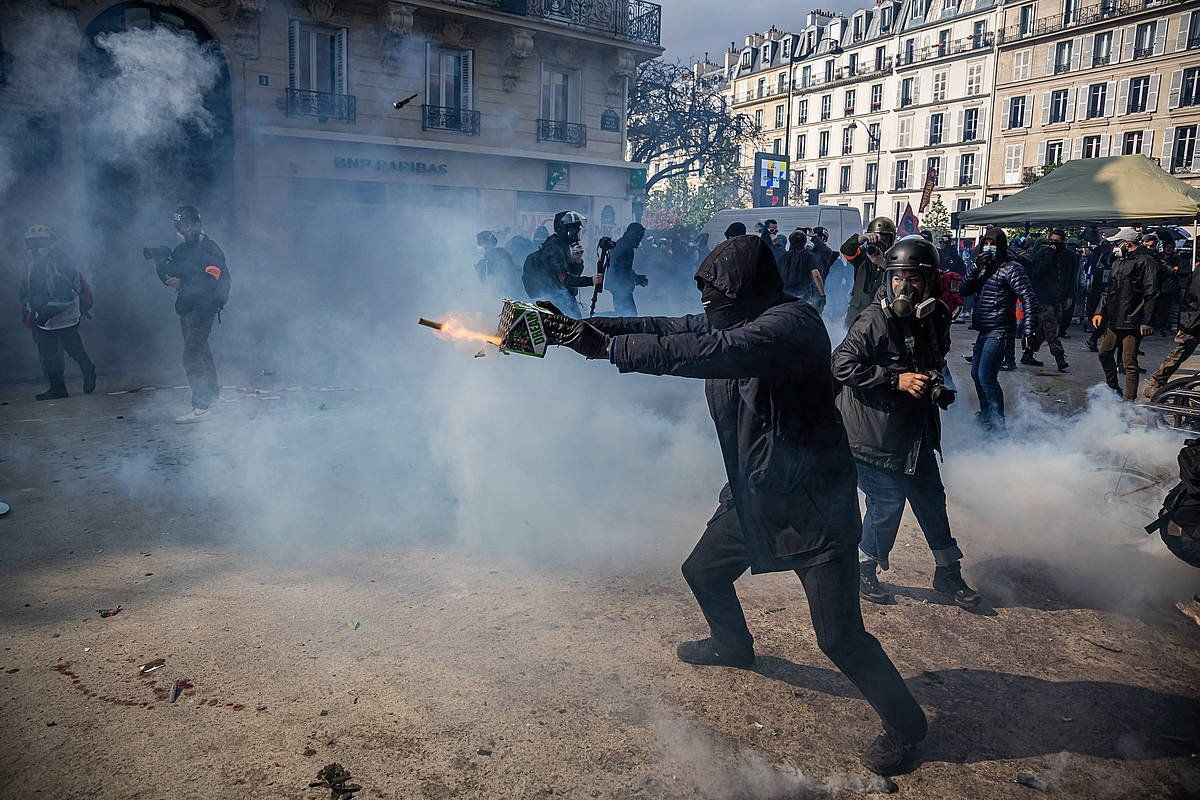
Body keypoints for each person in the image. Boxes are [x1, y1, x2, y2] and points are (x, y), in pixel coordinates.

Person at [538, 236, 928, 776]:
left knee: (840, 637)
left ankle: (908, 726)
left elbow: (707, 353)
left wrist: (603, 348)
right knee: (702, 571)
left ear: (746, 289)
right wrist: (575, 327)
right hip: (757, 492)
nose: (707, 309)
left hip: (814, 504)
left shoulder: (791, 324)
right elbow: (670, 329)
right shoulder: (734, 317)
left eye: (716, 297)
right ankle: (732, 644)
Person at [833, 237, 981, 609]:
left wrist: (934, 389)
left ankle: (947, 572)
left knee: (932, 499)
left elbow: (930, 364)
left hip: (914, 431)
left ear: (929, 283)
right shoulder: (873, 319)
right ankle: (862, 570)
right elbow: (841, 365)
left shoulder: (938, 318)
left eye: (914, 279)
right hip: (872, 431)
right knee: (886, 500)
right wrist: (895, 380)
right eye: (898, 277)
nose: (904, 286)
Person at [150, 206, 230, 424]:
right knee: (202, 352)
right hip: (187, 308)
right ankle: (211, 400)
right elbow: (169, 278)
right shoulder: (182, 250)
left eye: (188, 224)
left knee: (192, 355)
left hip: (204, 308)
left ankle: (201, 405)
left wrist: (183, 284)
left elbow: (212, 282)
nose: (185, 230)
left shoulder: (210, 249)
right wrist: (160, 261)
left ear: (197, 224)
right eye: (181, 226)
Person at [961, 226, 1038, 435]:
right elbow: (963, 289)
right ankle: (986, 415)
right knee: (976, 374)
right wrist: (975, 267)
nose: (988, 248)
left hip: (1000, 329)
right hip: (984, 329)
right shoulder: (983, 267)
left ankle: (998, 425)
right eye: (985, 243)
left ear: (1001, 246)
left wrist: (1029, 329)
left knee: (986, 376)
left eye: (993, 244)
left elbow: (1029, 297)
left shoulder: (1011, 268)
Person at [18, 224, 96, 400]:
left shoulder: (60, 262)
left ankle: (88, 369)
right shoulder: (31, 263)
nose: (35, 248)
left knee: (73, 347)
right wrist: (29, 311)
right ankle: (58, 388)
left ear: (50, 242)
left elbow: (66, 296)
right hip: (42, 317)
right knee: (49, 355)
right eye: (31, 243)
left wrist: (45, 314)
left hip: (64, 315)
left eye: (40, 242)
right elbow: (27, 290)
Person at [1092, 228, 1159, 401]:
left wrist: (1147, 321)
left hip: (1133, 320)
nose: (1114, 246)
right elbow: (1108, 290)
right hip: (1114, 318)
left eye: (1117, 243)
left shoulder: (1146, 261)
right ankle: (1113, 387)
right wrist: (1099, 311)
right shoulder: (1118, 262)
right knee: (1104, 353)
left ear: (1127, 244)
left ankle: (1129, 401)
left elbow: (1151, 293)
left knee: (1129, 362)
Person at [521, 211, 598, 318]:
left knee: (576, 326)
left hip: (562, 295)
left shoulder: (564, 246)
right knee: (576, 326)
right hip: (555, 298)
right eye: (572, 230)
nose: (575, 233)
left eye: (577, 230)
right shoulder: (553, 249)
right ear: (563, 229)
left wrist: (577, 261)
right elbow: (564, 279)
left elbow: (573, 274)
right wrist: (590, 281)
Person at [1144, 261, 1200, 399]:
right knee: (1180, 351)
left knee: (1181, 351)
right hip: (1194, 320)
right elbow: (1195, 297)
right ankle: (1155, 383)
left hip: (1193, 318)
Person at [1021, 229, 1070, 372]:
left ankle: (1028, 354)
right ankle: (1059, 358)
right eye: (1051, 241)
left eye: (1057, 242)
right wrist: (1048, 255)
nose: (1053, 245)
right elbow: (1038, 273)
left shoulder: (1064, 256)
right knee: (1051, 329)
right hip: (1042, 299)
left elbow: (1066, 277)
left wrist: (1067, 296)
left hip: (1053, 299)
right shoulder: (1043, 256)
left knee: (1042, 331)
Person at [842, 217, 897, 327]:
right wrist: (860, 238)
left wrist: (882, 262)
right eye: (876, 238)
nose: (879, 243)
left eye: (884, 239)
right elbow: (845, 250)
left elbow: (898, 279)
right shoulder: (863, 256)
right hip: (856, 313)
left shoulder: (896, 259)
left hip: (880, 317)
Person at [607, 223, 649, 316]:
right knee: (629, 316)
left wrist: (635, 277)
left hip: (619, 285)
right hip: (619, 286)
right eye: (639, 236)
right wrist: (635, 278)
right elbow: (621, 270)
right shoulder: (624, 247)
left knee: (625, 314)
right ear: (633, 234)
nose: (640, 239)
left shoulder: (624, 244)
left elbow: (624, 268)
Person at [776, 229, 824, 309]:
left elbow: (775, 276)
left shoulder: (783, 257)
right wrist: (822, 294)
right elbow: (816, 274)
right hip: (803, 296)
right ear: (805, 243)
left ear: (790, 242)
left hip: (785, 296)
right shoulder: (809, 256)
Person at [475, 230, 521, 298]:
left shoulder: (485, 262)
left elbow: (486, 283)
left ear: (484, 246)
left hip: (503, 293)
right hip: (513, 290)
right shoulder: (502, 251)